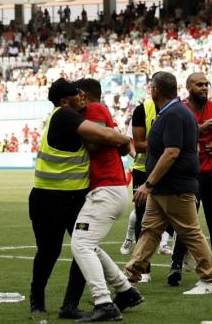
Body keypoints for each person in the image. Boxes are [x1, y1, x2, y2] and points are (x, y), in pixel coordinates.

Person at [29, 78, 136, 319]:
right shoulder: (64, 115)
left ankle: (70, 305)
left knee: (82, 246)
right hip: (49, 198)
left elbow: (101, 138)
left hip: (74, 196)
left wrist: (115, 138)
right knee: (50, 251)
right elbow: (103, 136)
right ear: (65, 101)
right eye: (77, 94)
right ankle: (38, 300)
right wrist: (123, 139)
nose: (82, 97)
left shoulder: (75, 115)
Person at [124, 71, 212, 296]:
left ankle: (211, 280)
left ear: (155, 90)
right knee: (149, 231)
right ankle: (131, 274)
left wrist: (148, 184)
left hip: (174, 187)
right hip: (165, 188)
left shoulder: (174, 114)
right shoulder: (176, 112)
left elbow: (171, 152)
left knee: (190, 233)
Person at [71, 78, 144, 322]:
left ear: (83, 94)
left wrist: (77, 125)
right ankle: (126, 292)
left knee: (80, 244)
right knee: (87, 243)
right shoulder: (99, 111)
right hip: (109, 187)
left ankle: (104, 302)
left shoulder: (94, 109)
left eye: (76, 93)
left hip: (106, 189)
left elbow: (94, 143)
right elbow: (119, 144)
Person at [169, 72, 212, 286]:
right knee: (186, 223)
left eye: (207, 84)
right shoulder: (180, 109)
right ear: (188, 87)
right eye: (199, 84)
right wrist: (203, 128)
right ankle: (175, 267)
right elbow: (179, 139)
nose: (204, 87)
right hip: (188, 174)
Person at [119, 96, 175, 265]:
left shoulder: (176, 109)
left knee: (175, 214)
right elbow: (133, 143)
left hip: (168, 171)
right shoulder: (142, 110)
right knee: (141, 215)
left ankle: (178, 257)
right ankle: (143, 268)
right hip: (142, 171)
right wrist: (138, 156)